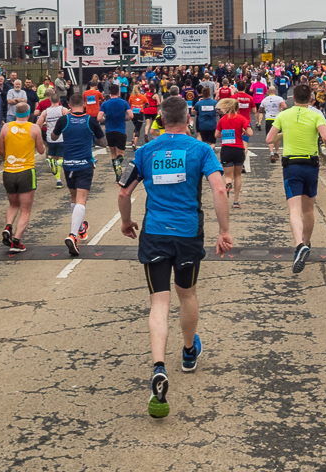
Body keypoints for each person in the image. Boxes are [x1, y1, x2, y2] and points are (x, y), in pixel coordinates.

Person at [117, 95, 232, 419]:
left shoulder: (145, 151)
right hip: (186, 234)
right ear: (188, 117)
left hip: (154, 233)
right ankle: (188, 351)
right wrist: (224, 232)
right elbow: (220, 189)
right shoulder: (201, 150)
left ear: (160, 119)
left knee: (159, 302)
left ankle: (158, 365)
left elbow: (124, 191)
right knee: (188, 294)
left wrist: (126, 222)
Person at [264, 84, 326, 273]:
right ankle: (307, 243)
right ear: (310, 99)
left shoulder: (283, 115)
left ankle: (299, 245)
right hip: (311, 163)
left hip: (291, 165)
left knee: (294, 210)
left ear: (293, 99)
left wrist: (286, 132)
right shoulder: (316, 114)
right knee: (308, 209)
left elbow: (269, 140)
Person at [49, 93, 105, 256]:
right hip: (84, 164)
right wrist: (93, 136)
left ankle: (80, 228)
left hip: (68, 165)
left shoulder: (64, 120)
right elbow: (103, 142)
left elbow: (53, 137)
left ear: (69, 104)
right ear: (85, 104)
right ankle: (73, 235)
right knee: (81, 200)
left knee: (74, 199)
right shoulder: (90, 120)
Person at [0, 102, 46, 254]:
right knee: (25, 210)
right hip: (26, 171)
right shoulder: (34, 128)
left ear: (15, 113)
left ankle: (8, 226)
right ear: (28, 114)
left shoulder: (6, 127)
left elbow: (1, 151)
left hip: (9, 171)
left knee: (13, 205)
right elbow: (40, 151)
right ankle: (16, 241)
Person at [215, 98, 250, 210]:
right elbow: (250, 133)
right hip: (238, 149)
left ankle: (227, 187)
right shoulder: (241, 118)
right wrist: (243, 131)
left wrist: (224, 134)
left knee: (228, 176)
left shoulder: (223, 119)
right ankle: (236, 200)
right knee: (238, 175)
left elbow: (216, 135)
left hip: (226, 149)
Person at [99, 84, 131, 178]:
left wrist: (105, 120)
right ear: (118, 92)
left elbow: (99, 117)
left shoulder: (105, 104)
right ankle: (118, 162)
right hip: (120, 130)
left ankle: (117, 175)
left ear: (109, 92)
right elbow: (131, 115)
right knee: (121, 154)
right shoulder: (124, 102)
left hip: (109, 131)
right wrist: (125, 119)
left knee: (113, 154)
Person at [39, 96, 68, 188]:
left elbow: (38, 124)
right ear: (59, 100)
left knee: (53, 156)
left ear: (50, 101)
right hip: (60, 137)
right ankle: (59, 181)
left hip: (50, 137)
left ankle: (58, 179)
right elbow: (69, 118)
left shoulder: (45, 111)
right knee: (61, 158)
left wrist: (44, 124)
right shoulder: (63, 109)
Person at [258, 86, 286, 161]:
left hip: (269, 118)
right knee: (277, 136)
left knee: (269, 136)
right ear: (275, 91)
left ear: (268, 91)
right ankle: (276, 152)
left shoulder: (265, 99)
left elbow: (260, 110)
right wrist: (281, 111)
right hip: (277, 118)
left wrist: (266, 110)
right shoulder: (279, 98)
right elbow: (285, 106)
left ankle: (271, 153)